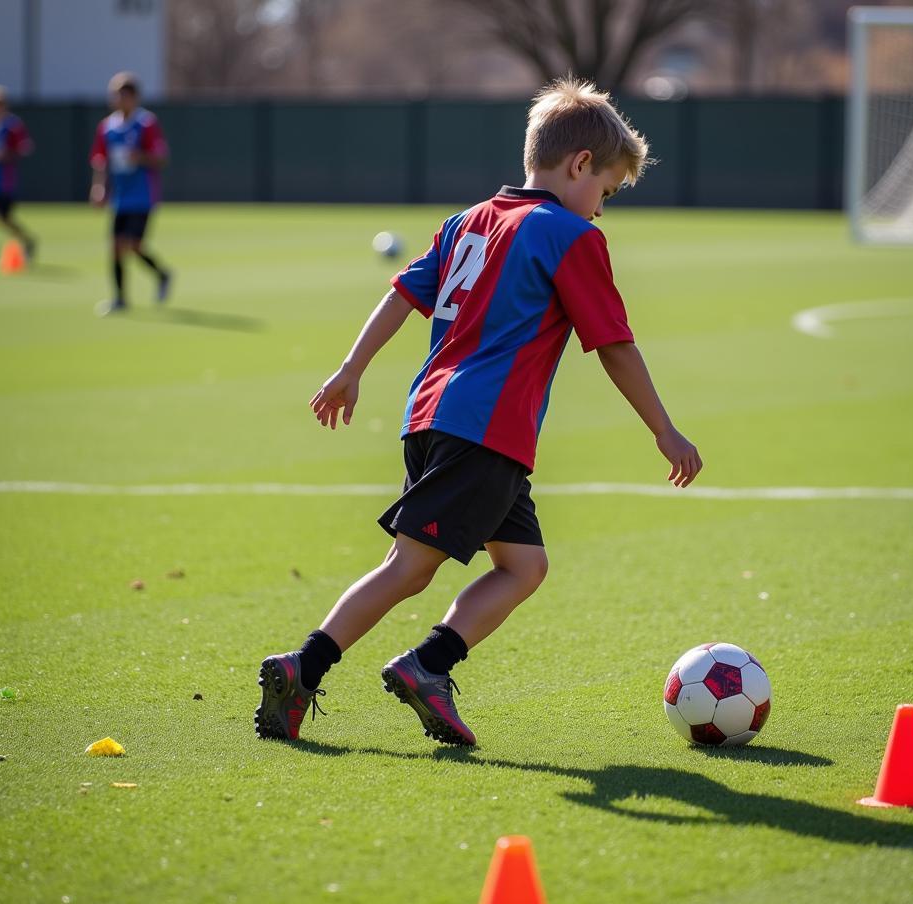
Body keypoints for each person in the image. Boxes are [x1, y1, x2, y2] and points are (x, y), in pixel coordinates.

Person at [255, 78, 703, 747]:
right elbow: (613, 345)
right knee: (409, 567)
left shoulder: (468, 220)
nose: (601, 211)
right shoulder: (569, 235)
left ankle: (427, 666)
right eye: (605, 192)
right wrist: (664, 429)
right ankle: (305, 666)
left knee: (524, 566)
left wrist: (352, 369)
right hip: (485, 430)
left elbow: (403, 295)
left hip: (433, 417)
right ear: (581, 164)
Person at [89, 72, 171, 315]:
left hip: (142, 195)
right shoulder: (107, 127)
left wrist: (141, 157)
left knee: (133, 245)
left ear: (134, 97)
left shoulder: (146, 123)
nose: (117, 99)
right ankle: (120, 298)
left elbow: (161, 157)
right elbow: (100, 160)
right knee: (116, 246)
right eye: (115, 94)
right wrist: (99, 187)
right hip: (120, 197)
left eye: (123, 95)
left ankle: (162, 274)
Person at [0, 86, 37, 261]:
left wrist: (9, 153)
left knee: (4, 217)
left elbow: (26, 147)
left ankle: (27, 239)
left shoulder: (13, 125)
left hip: (5, 180)